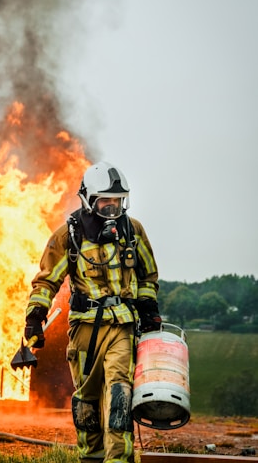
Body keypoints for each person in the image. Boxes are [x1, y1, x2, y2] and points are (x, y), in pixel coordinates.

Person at [24, 161, 161, 463]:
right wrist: (35, 317)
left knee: (119, 393)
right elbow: (47, 279)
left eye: (118, 201)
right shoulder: (68, 237)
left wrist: (149, 310)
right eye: (106, 201)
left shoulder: (132, 231)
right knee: (87, 397)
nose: (113, 208)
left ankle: (118, 459)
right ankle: (91, 456)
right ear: (88, 198)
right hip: (84, 328)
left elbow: (148, 276)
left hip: (122, 326)